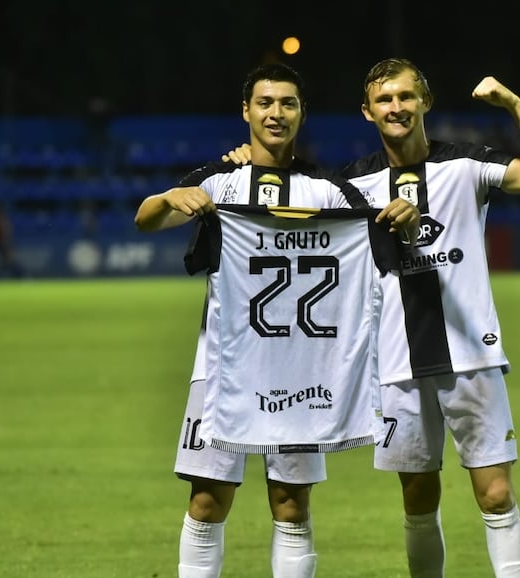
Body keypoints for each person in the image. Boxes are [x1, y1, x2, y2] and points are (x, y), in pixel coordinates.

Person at [224, 58, 520, 577]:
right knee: (418, 498)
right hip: (395, 365)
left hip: (471, 354)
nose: (397, 107)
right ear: (368, 112)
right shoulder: (351, 185)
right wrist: (246, 164)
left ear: (424, 102)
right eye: (385, 100)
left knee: (495, 494)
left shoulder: (467, 164)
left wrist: (515, 106)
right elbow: (288, 213)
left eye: (407, 97)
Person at [134, 62, 418, 578]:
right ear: (246, 111)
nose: (276, 113)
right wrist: (168, 197)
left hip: (302, 375)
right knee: (207, 502)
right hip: (223, 371)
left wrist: (405, 218)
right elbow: (147, 219)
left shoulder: (327, 189)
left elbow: (382, 237)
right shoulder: (219, 181)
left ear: (301, 113)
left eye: (287, 103)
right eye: (265, 103)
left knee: (291, 506)